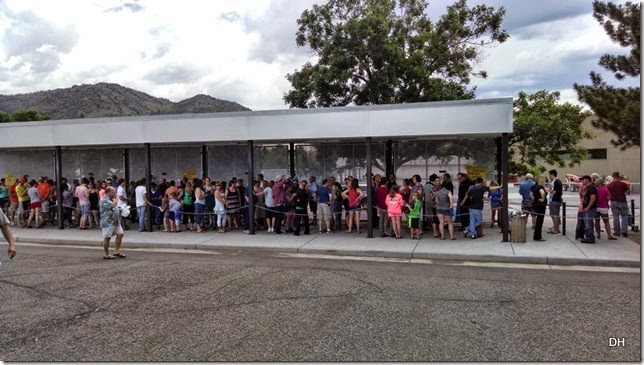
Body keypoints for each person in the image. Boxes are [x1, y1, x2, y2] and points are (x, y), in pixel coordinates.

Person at [99, 186, 126, 260]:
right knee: (107, 237)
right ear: (107, 192)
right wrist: (117, 198)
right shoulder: (103, 200)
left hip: (115, 221)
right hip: (108, 222)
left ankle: (116, 251)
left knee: (120, 234)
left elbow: (115, 207)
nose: (114, 193)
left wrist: (122, 209)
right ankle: (106, 254)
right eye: (113, 192)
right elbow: (112, 205)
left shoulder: (111, 199)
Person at [606, 171, 630, 238]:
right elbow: (628, 192)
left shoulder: (609, 185)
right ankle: (624, 231)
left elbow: (607, 195)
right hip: (623, 201)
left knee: (615, 217)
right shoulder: (623, 184)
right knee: (624, 216)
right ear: (619, 176)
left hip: (614, 202)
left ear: (612, 176)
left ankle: (617, 232)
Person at [580, 175, 598, 244]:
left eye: (583, 179)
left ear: (587, 180)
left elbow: (593, 198)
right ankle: (588, 236)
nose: (582, 181)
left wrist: (588, 207)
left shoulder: (591, 187)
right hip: (586, 208)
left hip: (590, 209)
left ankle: (590, 237)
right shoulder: (587, 188)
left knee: (589, 223)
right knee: (587, 223)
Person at [530, 176, 548, 242]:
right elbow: (542, 193)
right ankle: (538, 236)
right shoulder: (540, 187)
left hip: (535, 204)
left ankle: (536, 235)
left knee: (538, 220)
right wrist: (543, 199)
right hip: (541, 205)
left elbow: (531, 194)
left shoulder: (534, 187)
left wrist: (535, 199)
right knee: (540, 221)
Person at [546, 169, 563, 234]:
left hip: (554, 200)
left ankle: (556, 229)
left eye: (550, 175)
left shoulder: (556, 182)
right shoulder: (558, 181)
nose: (549, 177)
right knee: (555, 214)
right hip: (557, 200)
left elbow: (554, 192)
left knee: (554, 215)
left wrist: (548, 190)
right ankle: (556, 228)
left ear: (552, 175)